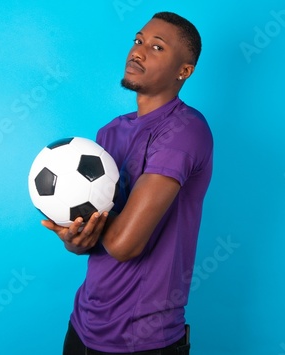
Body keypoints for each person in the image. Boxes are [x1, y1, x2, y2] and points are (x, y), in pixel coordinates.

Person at [42, 11, 213, 355]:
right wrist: (75, 238)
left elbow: (124, 245)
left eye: (157, 47)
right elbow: (93, 242)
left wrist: (94, 227)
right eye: (137, 41)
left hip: (143, 338)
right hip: (84, 323)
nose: (138, 51)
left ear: (185, 71)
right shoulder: (109, 132)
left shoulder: (186, 130)